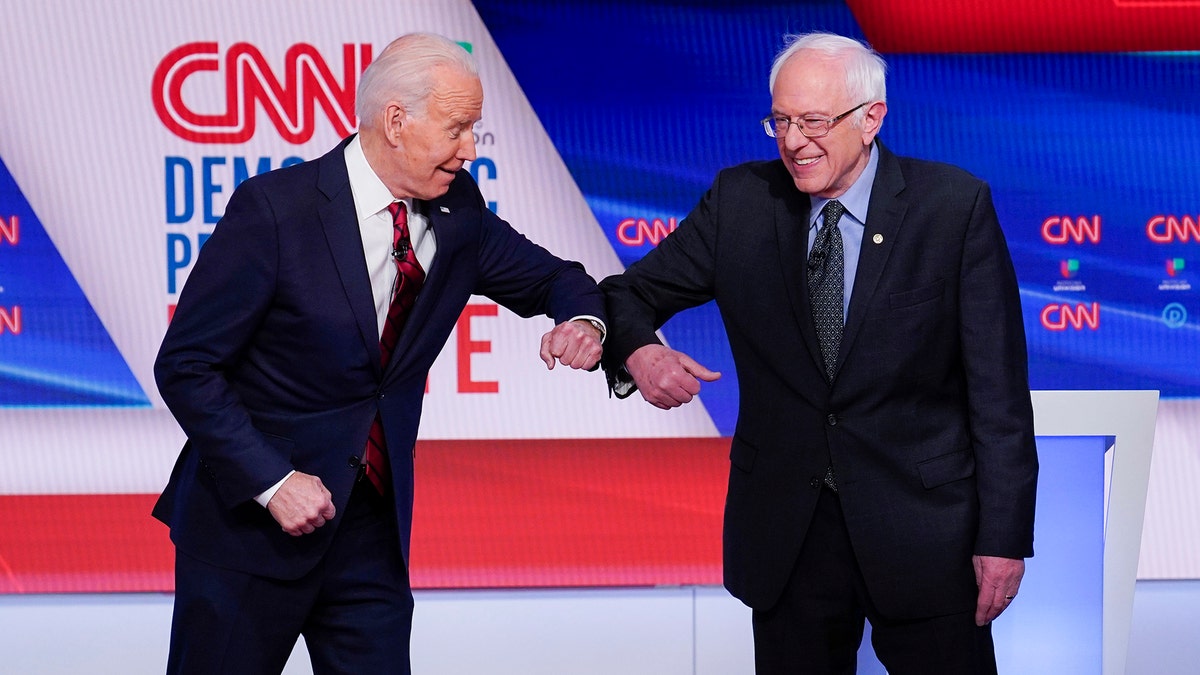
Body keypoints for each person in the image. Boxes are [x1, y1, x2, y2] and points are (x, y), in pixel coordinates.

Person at [153, 32, 605, 675]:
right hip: (249, 531)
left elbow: (554, 278)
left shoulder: (458, 211)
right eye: (458, 129)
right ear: (396, 121)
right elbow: (187, 365)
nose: (470, 150)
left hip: (368, 534)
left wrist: (582, 320)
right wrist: (272, 482)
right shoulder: (277, 210)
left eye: (475, 130)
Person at [600, 32, 1037, 674]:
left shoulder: (952, 206)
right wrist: (640, 350)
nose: (792, 141)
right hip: (788, 535)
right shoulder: (741, 202)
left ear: (871, 119)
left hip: (923, 533)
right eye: (779, 121)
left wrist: (1003, 537)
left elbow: (998, 392)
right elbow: (625, 293)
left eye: (813, 122)